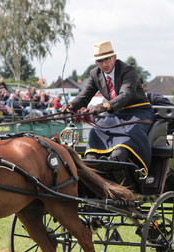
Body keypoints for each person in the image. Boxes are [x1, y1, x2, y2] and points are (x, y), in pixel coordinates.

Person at [63, 41, 154, 172]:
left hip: (139, 112)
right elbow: (84, 96)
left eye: (107, 60)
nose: (104, 64)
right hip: (118, 113)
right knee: (96, 130)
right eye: (100, 61)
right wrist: (71, 105)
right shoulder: (95, 74)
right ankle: (91, 163)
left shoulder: (128, 71)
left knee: (129, 133)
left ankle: (115, 162)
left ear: (114, 58)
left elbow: (126, 95)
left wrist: (105, 106)